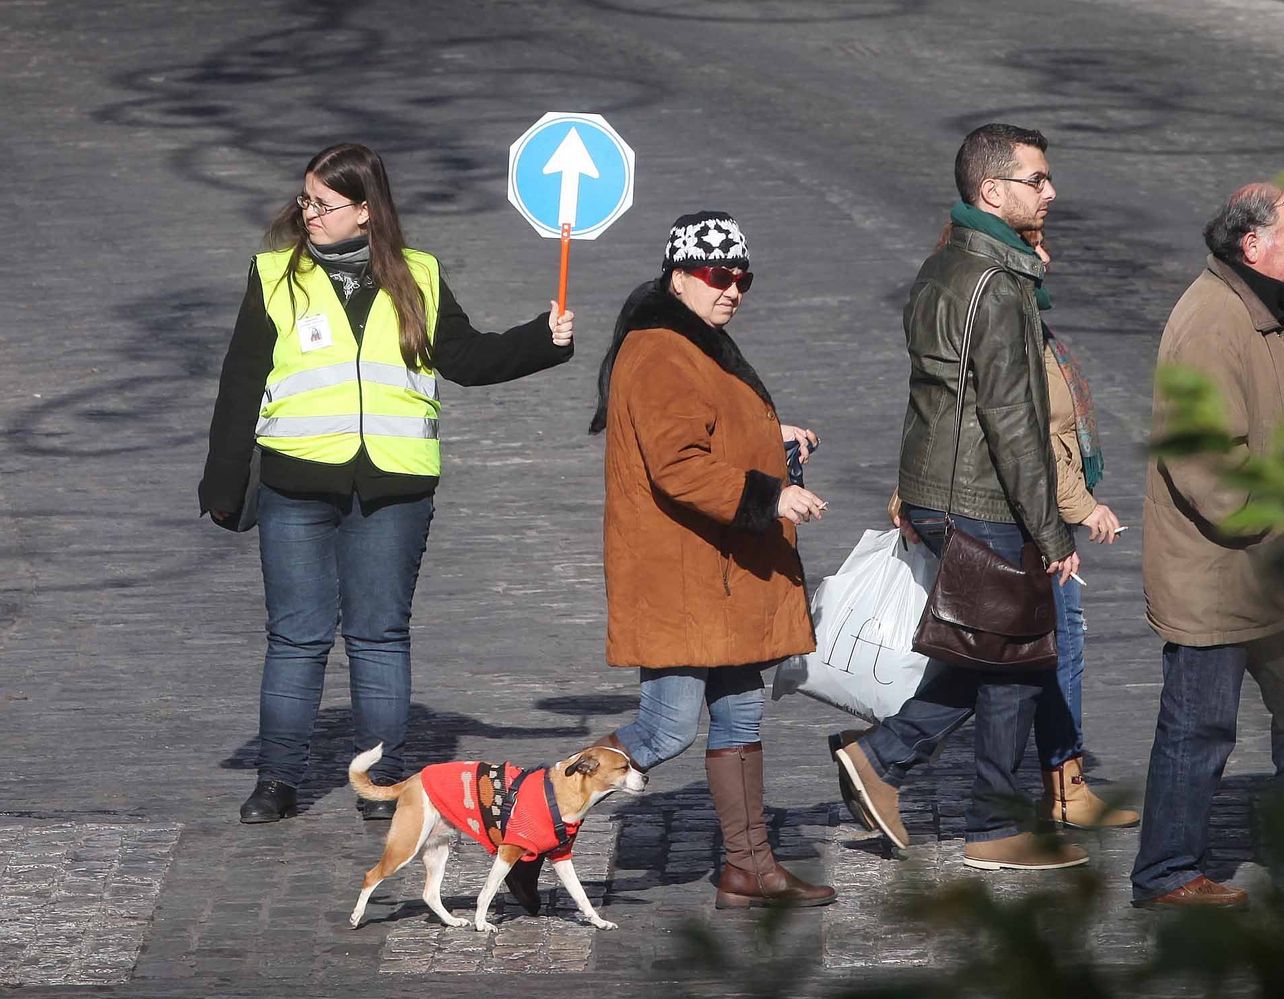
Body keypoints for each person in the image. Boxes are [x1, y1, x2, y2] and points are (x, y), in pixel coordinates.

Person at [199, 143, 576, 825]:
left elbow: (465, 358)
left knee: (378, 635)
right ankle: (277, 780)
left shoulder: (420, 275)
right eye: (306, 199)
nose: (306, 212)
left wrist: (541, 340)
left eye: (323, 202)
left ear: (366, 212)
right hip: (296, 480)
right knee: (296, 637)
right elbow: (241, 378)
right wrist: (223, 484)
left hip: (394, 486)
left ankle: (383, 782)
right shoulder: (274, 274)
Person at [557, 210, 835, 910]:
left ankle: (749, 868)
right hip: (686, 572)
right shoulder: (660, 350)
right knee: (667, 726)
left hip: (722, 571)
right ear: (679, 276)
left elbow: (712, 432)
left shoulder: (697, 342)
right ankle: (533, 819)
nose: (732, 289)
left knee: (740, 716)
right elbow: (678, 465)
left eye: (743, 277)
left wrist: (776, 439)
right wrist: (771, 497)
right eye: (717, 276)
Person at [832, 124, 1084, 872]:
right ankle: (986, 820)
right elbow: (1013, 422)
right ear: (991, 191)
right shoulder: (997, 287)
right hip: (984, 497)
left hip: (936, 488)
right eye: (1036, 180)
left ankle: (885, 761)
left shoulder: (945, 266)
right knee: (1011, 656)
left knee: (995, 651)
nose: (1050, 192)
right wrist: (1052, 530)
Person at [1131, 183, 1284, 909]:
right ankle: (1165, 873)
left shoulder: (1259, 310)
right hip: (1222, 575)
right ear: (1253, 245)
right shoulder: (1213, 322)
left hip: (1276, 573)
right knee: (1199, 730)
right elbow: (1208, 468)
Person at [1025, 230, 1141, 831]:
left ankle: (882, 746)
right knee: (1054, 647)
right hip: (1034, 512)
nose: (1048, 255)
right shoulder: (1013, 326)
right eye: (1036, 244)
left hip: (1038, 506)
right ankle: (885, 750)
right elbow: (1031, 435)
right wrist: (1080, 506)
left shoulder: (1024, 322)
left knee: (1015, 653)